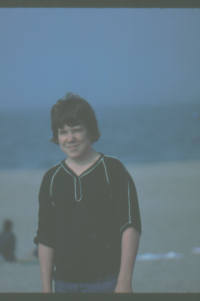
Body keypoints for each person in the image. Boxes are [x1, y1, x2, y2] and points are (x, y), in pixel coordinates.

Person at [34, 93, 142, 293]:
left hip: (108, 281)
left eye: (76, 130)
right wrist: (46, 289)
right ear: (56, 136)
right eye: (63, 132)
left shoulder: (113, 170)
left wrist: (124, 281)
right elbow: (45, 237)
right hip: (64, 284)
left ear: (91, 131)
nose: (70, 138)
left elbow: (131, 225)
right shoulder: (51, 178)